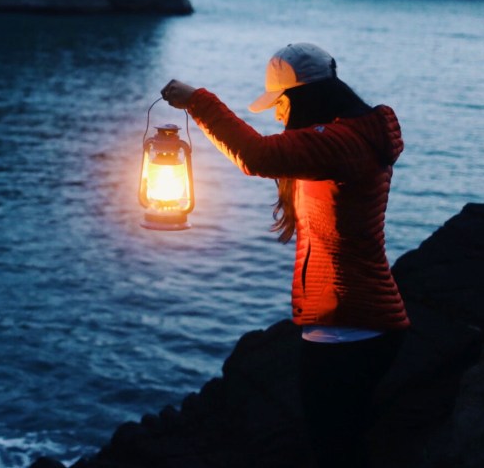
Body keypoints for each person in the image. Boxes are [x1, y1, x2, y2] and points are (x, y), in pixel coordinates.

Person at [160, 43, 409, 468]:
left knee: (334, 450)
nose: (277, 115)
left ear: (301, 98)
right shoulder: (346, 139)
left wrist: (198, 102)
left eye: (280, 103)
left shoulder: (341, 144)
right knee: (344, 445)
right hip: (359, 324)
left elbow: (256, 156)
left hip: (348, 327)